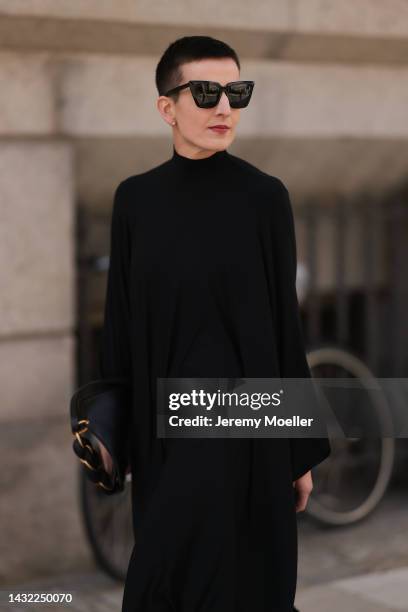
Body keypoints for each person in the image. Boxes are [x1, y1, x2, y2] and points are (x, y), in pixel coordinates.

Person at [98, 35, 331, 612]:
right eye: (205, 92)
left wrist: (298, 451)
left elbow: (284, 327)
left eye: (236, 92)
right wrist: (116, 429)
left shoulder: (265, 199)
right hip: (166, 440)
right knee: (161, 585)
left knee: (248, 586)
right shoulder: (135, 201)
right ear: (166, 107)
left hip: (251, 439)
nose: (224, 106)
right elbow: (120, 324)